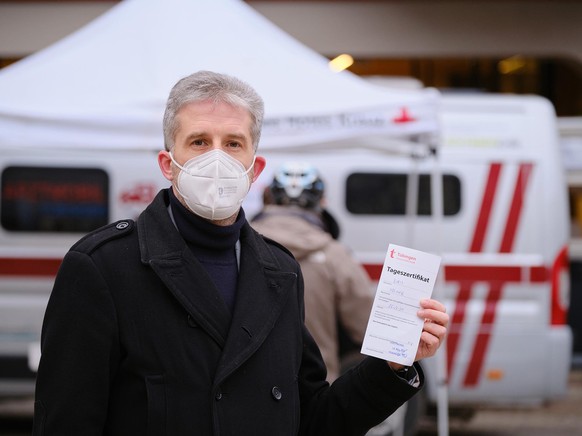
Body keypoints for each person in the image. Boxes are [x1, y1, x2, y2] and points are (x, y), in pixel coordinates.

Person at [32, 70, 448, 436]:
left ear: (255, 166)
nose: (217, 158)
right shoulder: (103, 267)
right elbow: (66, 422)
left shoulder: (280, 272)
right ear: (167, 162)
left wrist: (393, 366)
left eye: (233, 143)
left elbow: (315, 419)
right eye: (198, 141)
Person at [251, 162, 374, 382]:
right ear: (322, 202)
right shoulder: (335, 255)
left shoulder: (238, 245)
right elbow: (367, 328)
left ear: (268, 197)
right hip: (312, 386)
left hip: (246, 386)